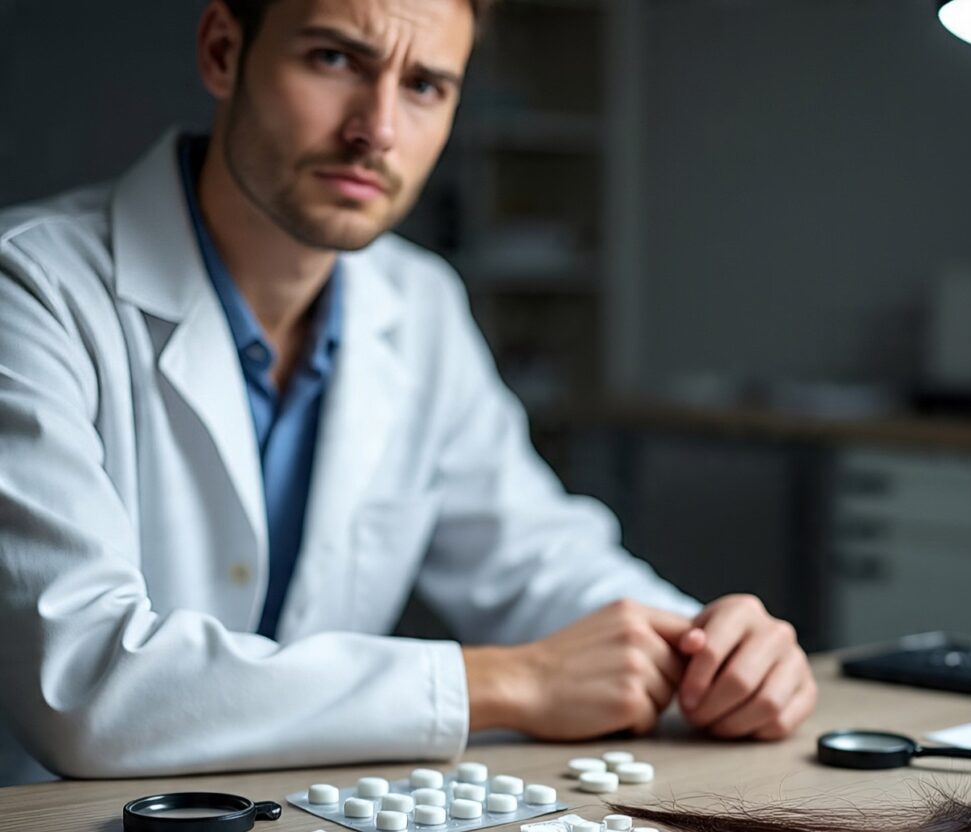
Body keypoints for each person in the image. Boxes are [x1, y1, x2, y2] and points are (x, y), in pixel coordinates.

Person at [0, 0, 817, 779]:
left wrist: (713, 649)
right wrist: (504, 682)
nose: (376, 130)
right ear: (223, 50)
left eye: (424, 85)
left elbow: (534, 557)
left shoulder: (419, 305)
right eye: (333, 59)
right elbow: (85, 681)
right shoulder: (33, 288)